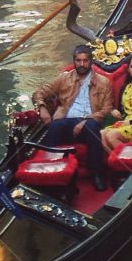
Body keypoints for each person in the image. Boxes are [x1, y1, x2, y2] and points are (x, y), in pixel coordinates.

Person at [32, 44, 114, 190]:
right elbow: (39, 93)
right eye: (78, 60)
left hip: (90, 124)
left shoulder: (104, 82)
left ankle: (97, 173)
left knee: (92, 126)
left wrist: (84, 121)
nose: (81, 64)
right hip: (66, 124)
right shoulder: (64, 78)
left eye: (85, 60)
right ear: (74, 61)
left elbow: (107, 109)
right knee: (55, 125)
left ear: (91, 61)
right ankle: (46, 172)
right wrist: (42, 107)